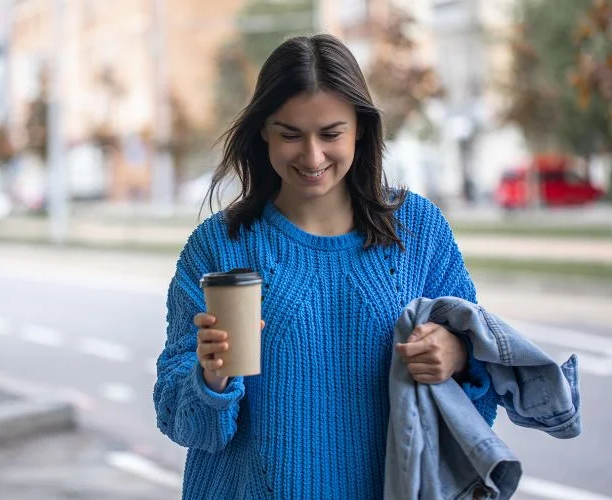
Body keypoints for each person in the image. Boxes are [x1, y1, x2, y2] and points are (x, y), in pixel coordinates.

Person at [153, 34, 499, 499]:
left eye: (330, 133)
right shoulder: (218, 246)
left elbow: (483, 375)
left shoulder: (418, 230)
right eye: (290, 134)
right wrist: (211, 377)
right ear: (263, 131)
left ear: (360, 127)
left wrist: (455, 354)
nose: (312, 156)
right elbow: (183, 422)